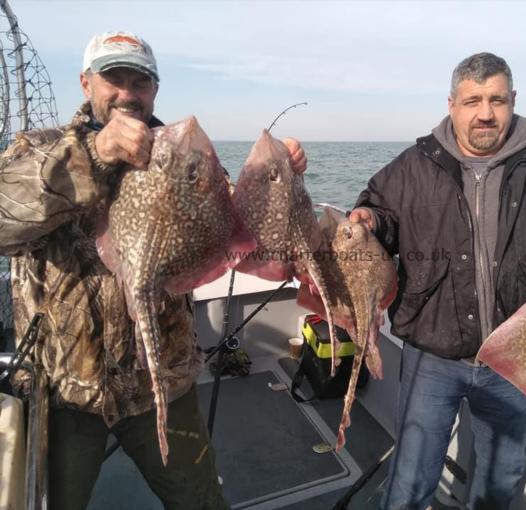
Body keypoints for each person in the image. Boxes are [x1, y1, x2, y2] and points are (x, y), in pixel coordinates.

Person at [0, 31, 306, 510]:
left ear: (155, 89)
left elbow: (242, 239)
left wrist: (279, 178)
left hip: (162, 378)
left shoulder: (188, 160)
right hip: (66, 391)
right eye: (113, 79)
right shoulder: (40, 149)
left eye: (139, 82)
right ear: (85, 84)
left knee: (201, 500)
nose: (126, 93)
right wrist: (94, 153)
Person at [350, 52, 526, 510]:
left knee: (500, 481)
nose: (485, 113)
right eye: (473, 100)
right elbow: (381, 213)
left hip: (515, 358)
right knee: (411, 478)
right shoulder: (413, 166)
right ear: (452, 103)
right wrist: (368, 220)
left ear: (514, 101)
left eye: (497, 100)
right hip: (432, 352)